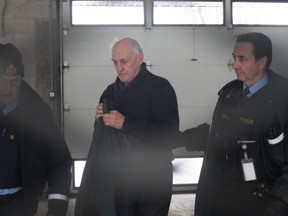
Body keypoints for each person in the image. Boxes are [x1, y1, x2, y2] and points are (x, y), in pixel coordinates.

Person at [75, 37, 179, 216]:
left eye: (124, 62)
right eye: (114, 63)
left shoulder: (160, 87)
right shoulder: (109, 92)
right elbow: (101, 140)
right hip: (119, 179)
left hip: (152, 181)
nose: (119, 68)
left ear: (139, 58)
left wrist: (125, 123)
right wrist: (98, 121)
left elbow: (169, 135)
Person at [194, 32, 288, 216]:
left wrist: (278, 204)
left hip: (262, 203)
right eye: (234, 58)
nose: (234, 65)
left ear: (262, 62)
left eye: (242, 59)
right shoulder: (229, 94)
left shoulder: (283, 99)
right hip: (221, 200)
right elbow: (215, 139)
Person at [0, 43, 72, 216]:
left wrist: (56, 209)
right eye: (2, 81)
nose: (9, 88)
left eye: (15, 81)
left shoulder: (38, 114)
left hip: (20, 206)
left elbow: (59, 163)